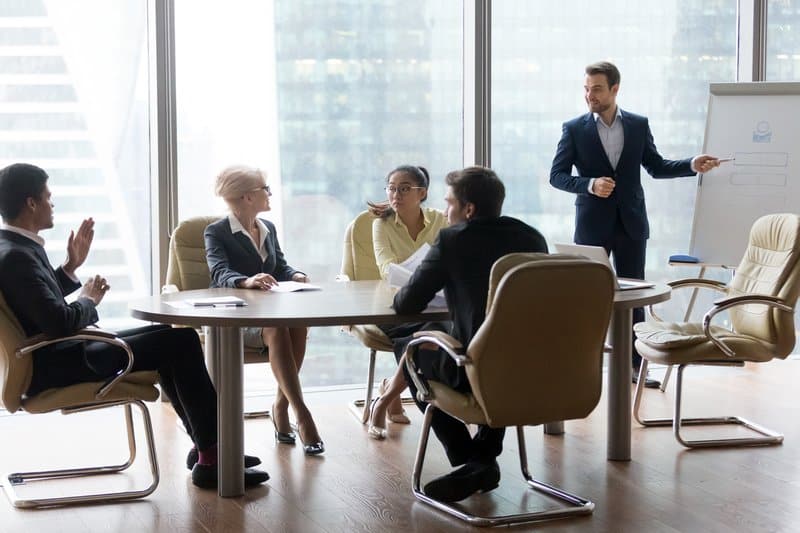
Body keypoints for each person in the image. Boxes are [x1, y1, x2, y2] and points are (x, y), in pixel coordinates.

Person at [0, 162, 268, 489]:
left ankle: (207, 446)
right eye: (48, 197)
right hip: (62, 363)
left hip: (60, 354)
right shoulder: (18, 257)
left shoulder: (15, 249)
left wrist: (70, 268)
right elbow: (58, 322)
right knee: (179, 344)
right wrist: (88, 298)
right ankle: (212, 455)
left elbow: (38, 305)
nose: (52, 204)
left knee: (174, 337)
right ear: (31, 203)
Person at [549, 60, 721, 388]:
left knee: (633, 299)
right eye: (586, 89)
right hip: (591, 227)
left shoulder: (639, 125)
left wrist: (691, 165)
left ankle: (634, 369)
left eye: (596, 89)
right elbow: (556, 176)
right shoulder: (573, 128)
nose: (589, 95)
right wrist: (588, 184)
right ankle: (580, 371)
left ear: (615, 88)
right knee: (586, 298)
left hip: (631, 223)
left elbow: (655, 166)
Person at [390, 166, 548, 503]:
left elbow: (407, 301)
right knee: (491, 346)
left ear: (468, 209)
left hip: (475, 370)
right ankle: (483, 458)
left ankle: (472, 460)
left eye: (449, 204)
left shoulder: (453, 240)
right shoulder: (532, 237)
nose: (446, 212)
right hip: (533, 370)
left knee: (409, 346)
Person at [204, 165, 323, 455]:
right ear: (247, 197)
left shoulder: (268, 228)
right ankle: (302, 414)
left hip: (271, 313)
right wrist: (247, 281)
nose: (270, 194)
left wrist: (296, 275)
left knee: (297, 324)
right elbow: (219, 272)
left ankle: (280, 407)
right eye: (265, 189)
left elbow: (280, 266)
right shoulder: (217, 232)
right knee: (277, 328)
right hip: (236, 319)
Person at [367, 165, 449, 440]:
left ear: (422, 193)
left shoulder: (440, 220)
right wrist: (427, 275)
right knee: (420, 337)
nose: (395, 194)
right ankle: (389, 398)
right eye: (391, 187)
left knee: (434, 333)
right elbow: (385, 268)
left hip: (433, 302)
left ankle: (387, 394)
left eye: (404, 188)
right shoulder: (382, 224)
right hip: (393, 303)